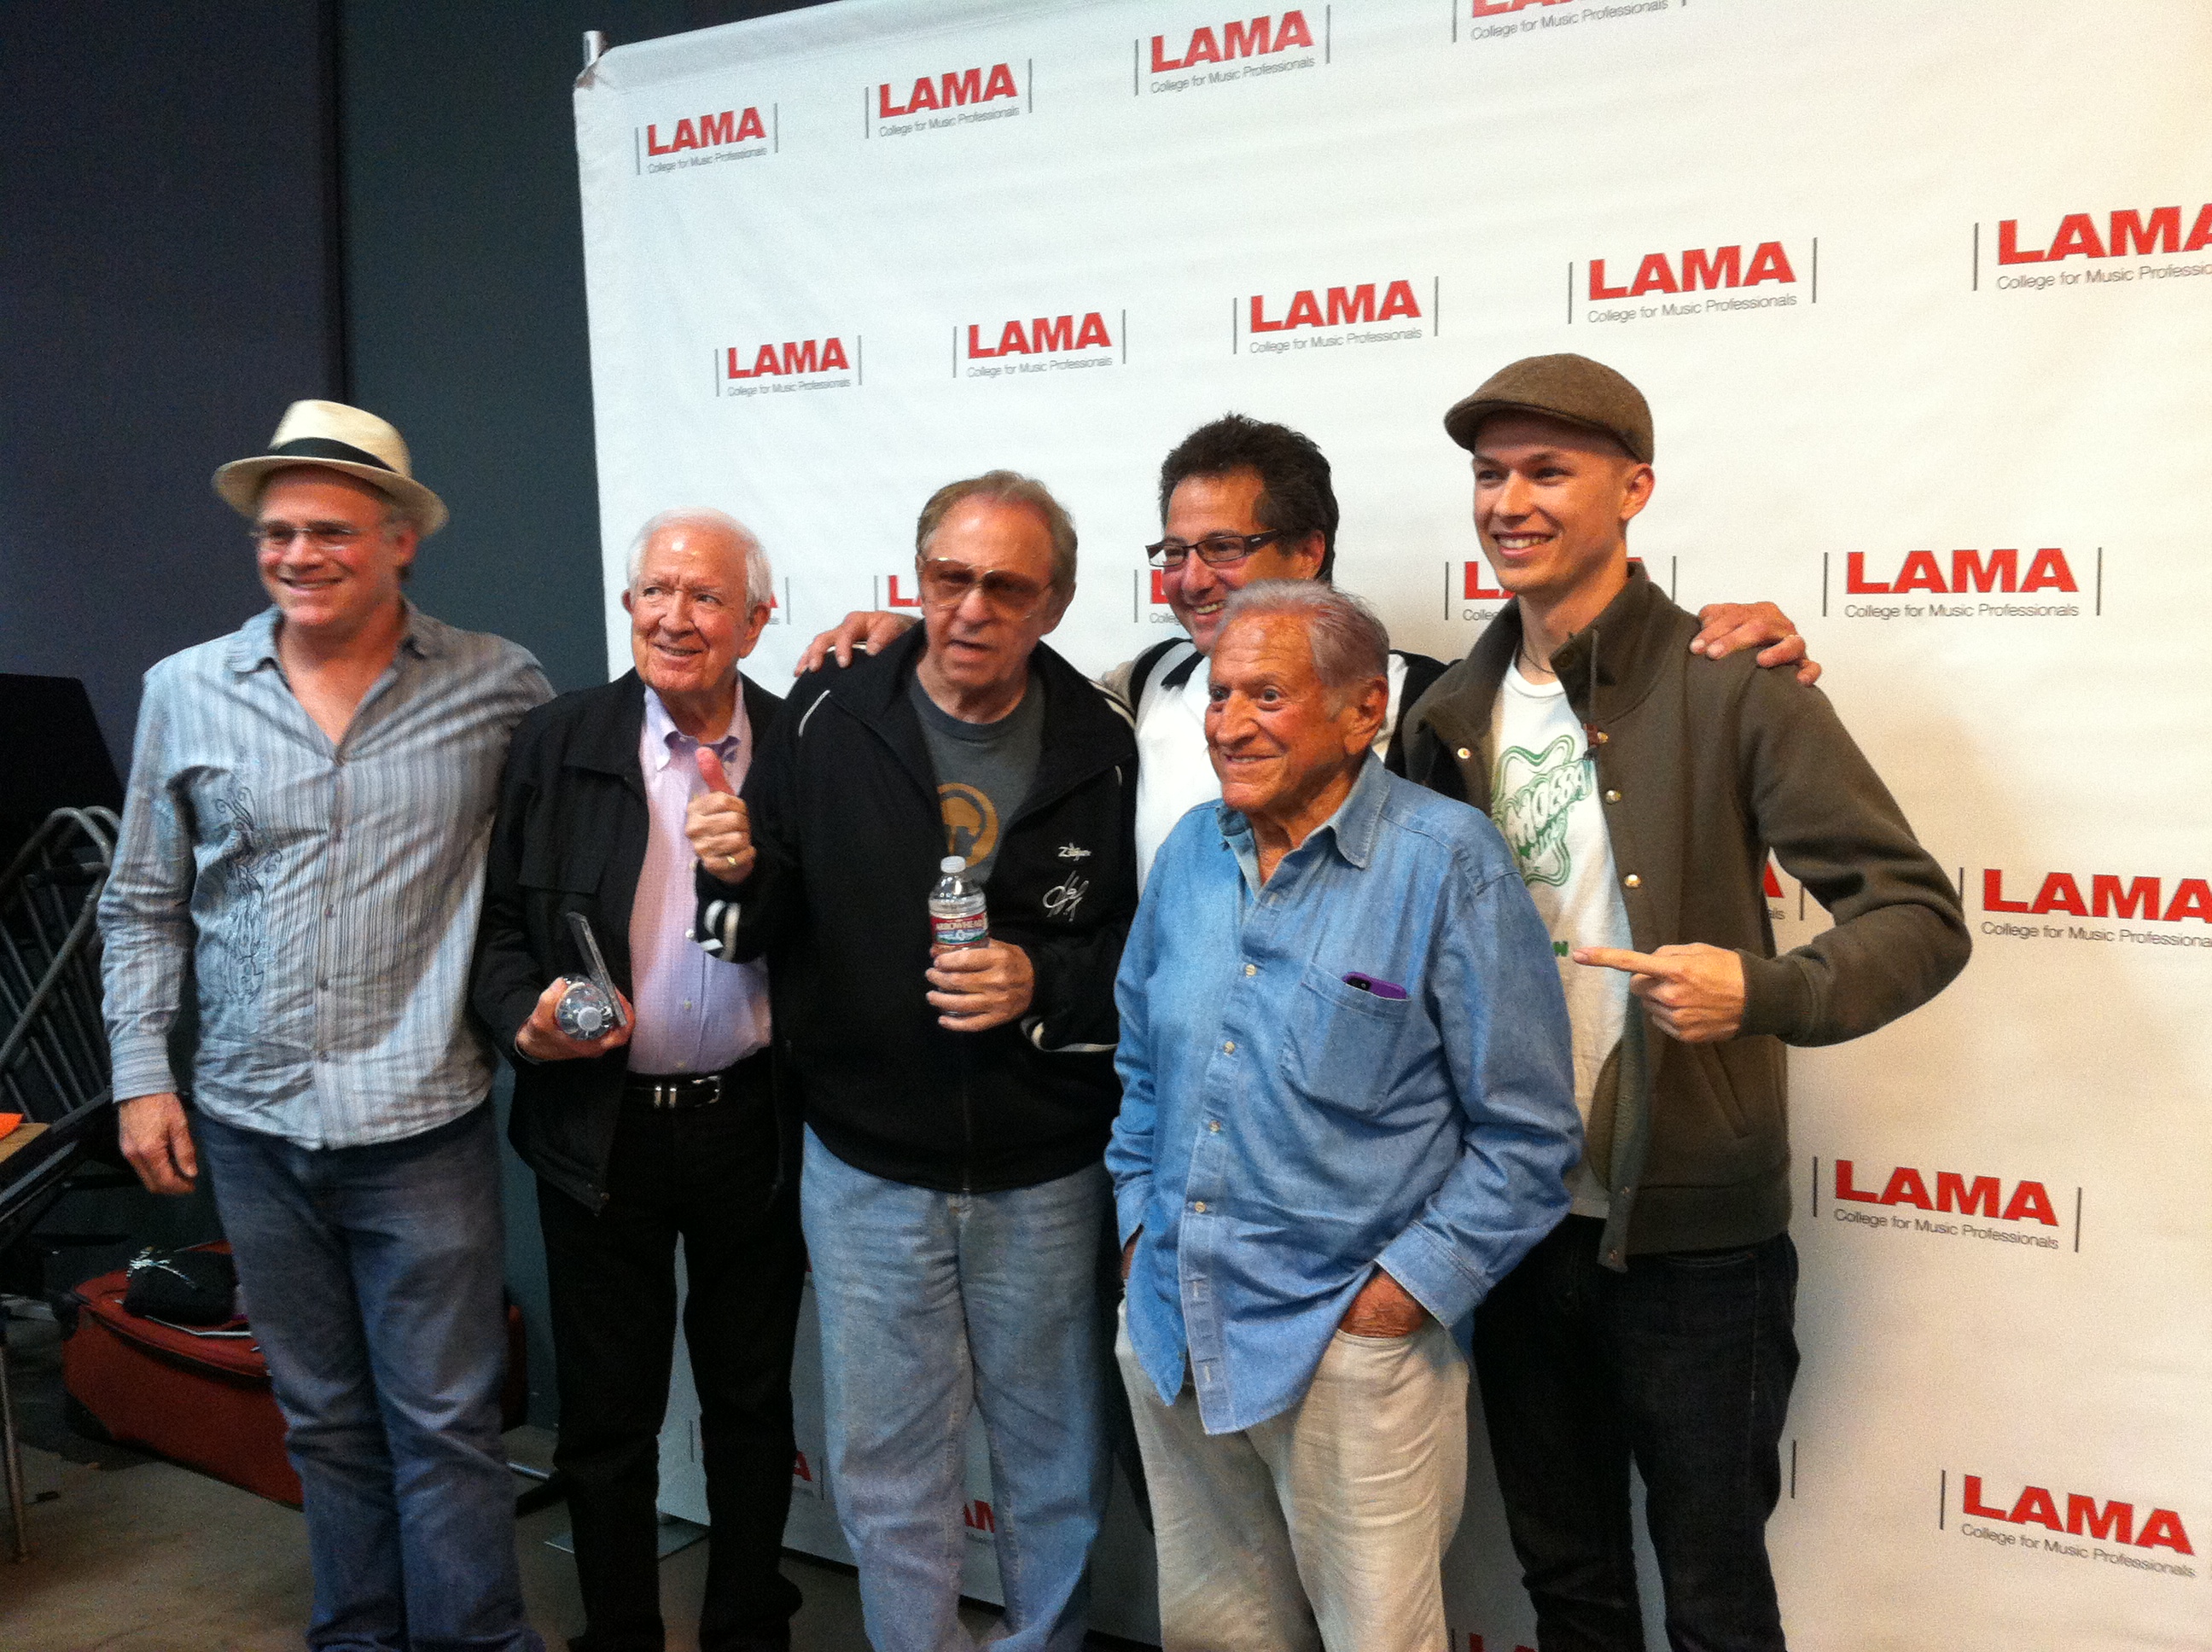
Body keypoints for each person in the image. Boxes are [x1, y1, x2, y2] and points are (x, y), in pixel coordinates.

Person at [1398, 354, 1972, 1650]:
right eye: (1490, 474)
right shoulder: (1446, 714)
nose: (1509, 502)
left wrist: (1765, 989)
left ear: (1634, 489)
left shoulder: (1734, 679)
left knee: (1713, 1600)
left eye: (1549, 471)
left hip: (1696, 1244)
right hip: (1509, 1220)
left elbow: (1918, 918)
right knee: (1569, 1589)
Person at [99, 399, 551, 1652]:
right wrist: (141, 1075)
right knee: (324, 1422)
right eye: (278, 532)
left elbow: (616, 781)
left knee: (447, 1424)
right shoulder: (185, 690)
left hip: (422, 1122)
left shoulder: (498, 685)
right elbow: (141, 902)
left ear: (401, 539)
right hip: (252, 1126)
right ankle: (356, 1635)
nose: (299, 555)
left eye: (332, 531)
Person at [685, 472, 1138, 1652]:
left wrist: (1042, 980)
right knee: (889, 1472)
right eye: (950, 577)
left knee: (1054, 1464)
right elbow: (751, 924)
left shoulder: (1105, 741)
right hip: (867, 1171)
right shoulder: (828, 712)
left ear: (1056, 602)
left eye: (1007, 586)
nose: (972, 607)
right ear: (917, 577)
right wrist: (730, 872)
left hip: (1047, 1171)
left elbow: (1147, 948)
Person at [1108, 581, 1580, 1652]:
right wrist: (1139, 1231)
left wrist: (1397, 1299)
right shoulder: (1187, 854)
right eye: (1219, 694)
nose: (1229, 724)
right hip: (1175, 1324)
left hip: (1348, 1349)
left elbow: (1528, 1135)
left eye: (1266, 695)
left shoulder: (1448, 862)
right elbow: (1141, 1064)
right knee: (1217, 1639)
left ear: (1366, 710)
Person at [795, 413, 1818, 881]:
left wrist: (1720, 645)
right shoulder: (1136, 690)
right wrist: (904, 635)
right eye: (1174, 551)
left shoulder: (1436, 705)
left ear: (1309, 550)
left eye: (1224, 548)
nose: (1192, 578)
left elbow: (1575, 695)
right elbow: (995, 653)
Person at [471, 509, 806, 1652]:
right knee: (608, 1418)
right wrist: (525, 1020)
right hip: (597, 1127)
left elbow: (833, 929)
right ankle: (619, 1634)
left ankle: (747, 1627)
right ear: (628, 606)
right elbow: (497, 929)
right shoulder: (557, 740)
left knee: (752, 1403)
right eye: (656, 591)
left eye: (707, 597)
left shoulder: (803, 749)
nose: (675, 617)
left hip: (754, 1124)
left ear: (756, 620)